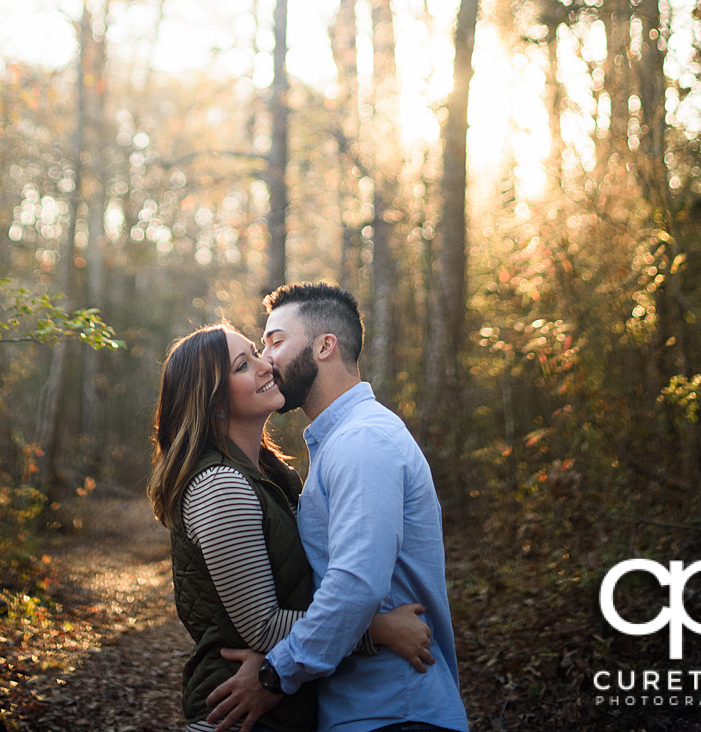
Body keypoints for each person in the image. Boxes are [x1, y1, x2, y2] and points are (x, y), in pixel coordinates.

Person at [206, 284, 469, 732]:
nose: (267, 359)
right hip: (366, 709)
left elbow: (355, 585)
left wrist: (274, 674)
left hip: (393, 710)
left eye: (276, 340)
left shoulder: (361, 442)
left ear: (325, 346)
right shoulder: (340, 442)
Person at [149, 323, 437, 732]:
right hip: (239, 715)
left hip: (277, 712)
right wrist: (377, 630)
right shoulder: (220, 485)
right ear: (214, 402)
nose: (266, 364)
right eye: (242, 365)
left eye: (257, 352)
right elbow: (263, 626)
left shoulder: (266, 475)